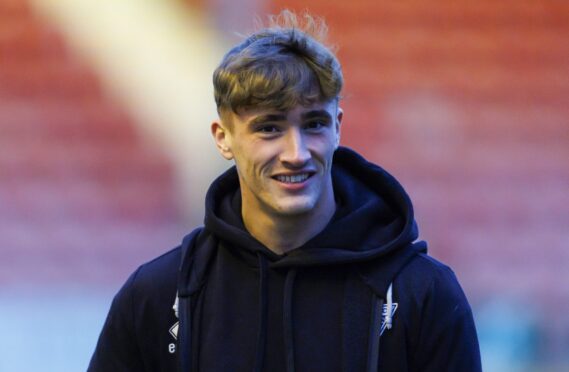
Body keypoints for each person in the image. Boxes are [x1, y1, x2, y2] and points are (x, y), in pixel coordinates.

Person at [88, 10, 481, 372]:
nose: (296, 154)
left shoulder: (423, 294)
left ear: (338, 127)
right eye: (269, 128)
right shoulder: (158, 296)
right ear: (223, 138)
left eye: (313, 124)